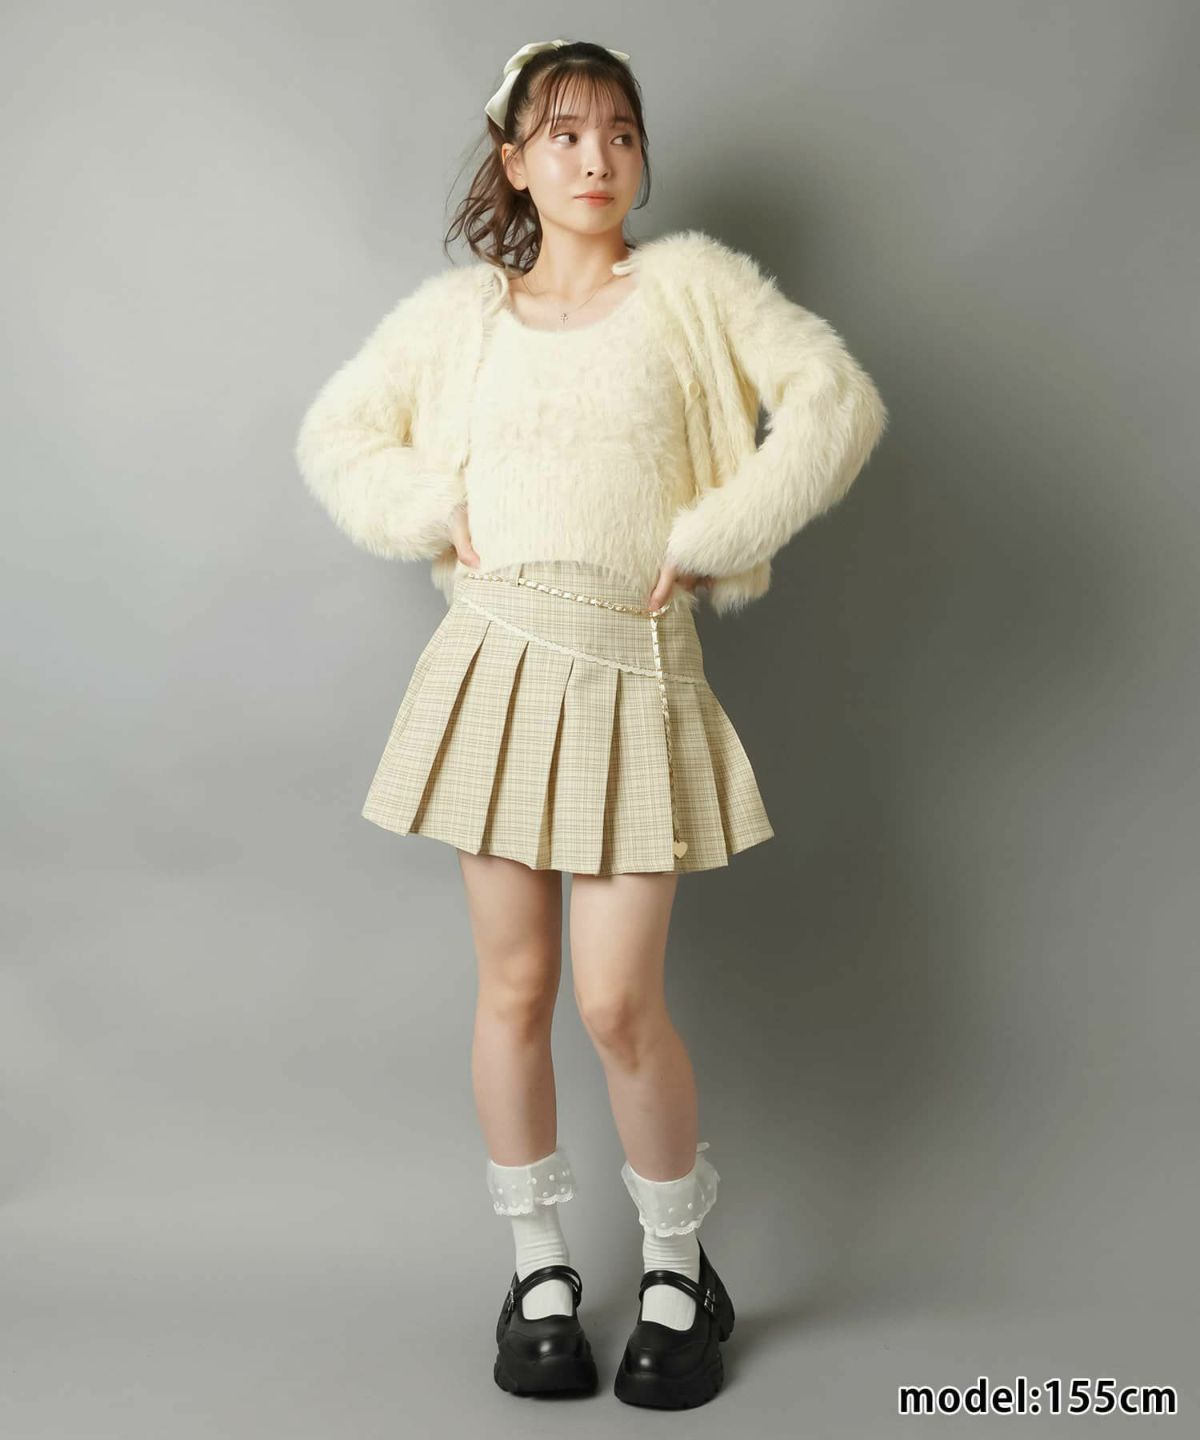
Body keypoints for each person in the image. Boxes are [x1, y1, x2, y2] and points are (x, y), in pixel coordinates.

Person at [294, 37, 888, 1410]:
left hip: (634, 669)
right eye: (563, 135)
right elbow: (341, 436)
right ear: (515, 160)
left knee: (617, 1002)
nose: (596, 158)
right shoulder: (459, 318)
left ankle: (679, 1269)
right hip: (497, 666)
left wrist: (721, 530)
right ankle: (540, 1271)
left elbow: (834, 400)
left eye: (619, 133)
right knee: (513, 991)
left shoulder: (688, 289)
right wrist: (431, 510)